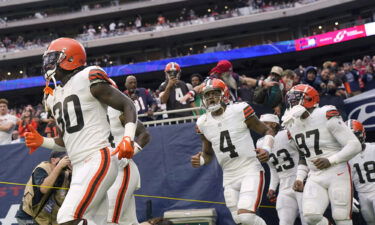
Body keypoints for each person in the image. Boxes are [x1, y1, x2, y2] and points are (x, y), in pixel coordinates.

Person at [25, 37, 137, 225]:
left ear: (69, 59)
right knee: (97, 221)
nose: (48, 64)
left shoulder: (88, 77)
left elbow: (128, 104)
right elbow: (66, 139)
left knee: (67, 218)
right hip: (79, 165)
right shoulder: (54, 96)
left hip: (96, 157)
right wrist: (42, 141)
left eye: (54, 58)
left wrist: (128, 137)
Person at [191, 78, 275, 225]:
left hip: (250, 169)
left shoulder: (239, 110)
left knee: (246, 217)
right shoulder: (202, 123)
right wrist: (201, 159)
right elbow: (208, 153)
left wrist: (267, 149)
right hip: (229, 176)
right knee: (239, 221)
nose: (210, 97)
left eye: (214, 93)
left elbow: (267, 130)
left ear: (224, 94)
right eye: (207, 95)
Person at [283, 84, 362, 225]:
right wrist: (300, 177)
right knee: (310, 216)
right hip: (314, 175)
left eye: (295, 99)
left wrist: (331, 160)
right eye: (290, 100)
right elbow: (303, 154)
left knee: (341, 217)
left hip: (337, 172)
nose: (292, 103)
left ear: (308, 98)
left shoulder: (325, 114)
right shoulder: (292, 125)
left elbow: (354, 145)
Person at [107, 80, 151, 225]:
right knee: (128, 222)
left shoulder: (118, 110)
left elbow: (144, 134)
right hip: (107, 171)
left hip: (121, 169)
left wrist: (129, 152)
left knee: (110, 219)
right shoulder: (92, 114)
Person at [257, 114, 306, 225]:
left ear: (274, 124)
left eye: (264, 124)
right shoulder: (260, 143)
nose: (261, 127)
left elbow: (304, 154)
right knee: (284, 222)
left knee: (308, 219)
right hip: (284, 187)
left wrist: (302, 177)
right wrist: (272, 188)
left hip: (301, 181)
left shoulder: (286, 134)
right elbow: (273, 168)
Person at [15, 151, 72, 225]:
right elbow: (43, 189)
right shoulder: (42, 168)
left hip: (44, 219)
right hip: (29, 216)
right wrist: (59, 166)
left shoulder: (66, 174)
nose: (66, 162)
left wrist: (73, 171)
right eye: (64, 159)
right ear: (53, 160)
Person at [347, 120, 375, 225]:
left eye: (355, 135)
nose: (353, 140)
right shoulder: (345, 157)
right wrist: (349, 198)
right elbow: (344, 181)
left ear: (363, 134)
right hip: (362, 195)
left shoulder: (373, 148)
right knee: (370, 222)